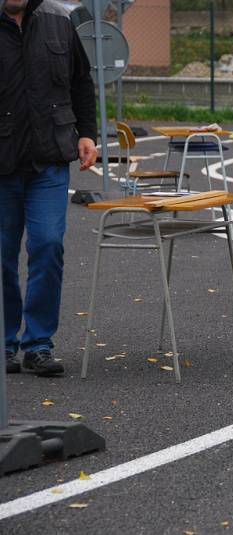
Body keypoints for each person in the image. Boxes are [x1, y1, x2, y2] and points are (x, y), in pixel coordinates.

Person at [1, 0, 97, 376]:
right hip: (2, 163)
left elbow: (80, 81)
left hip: (49, 159)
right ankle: (5, 344)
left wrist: (87, 132)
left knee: (47, 246)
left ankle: (38, 345)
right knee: (2, 258)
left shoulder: (59, 20)